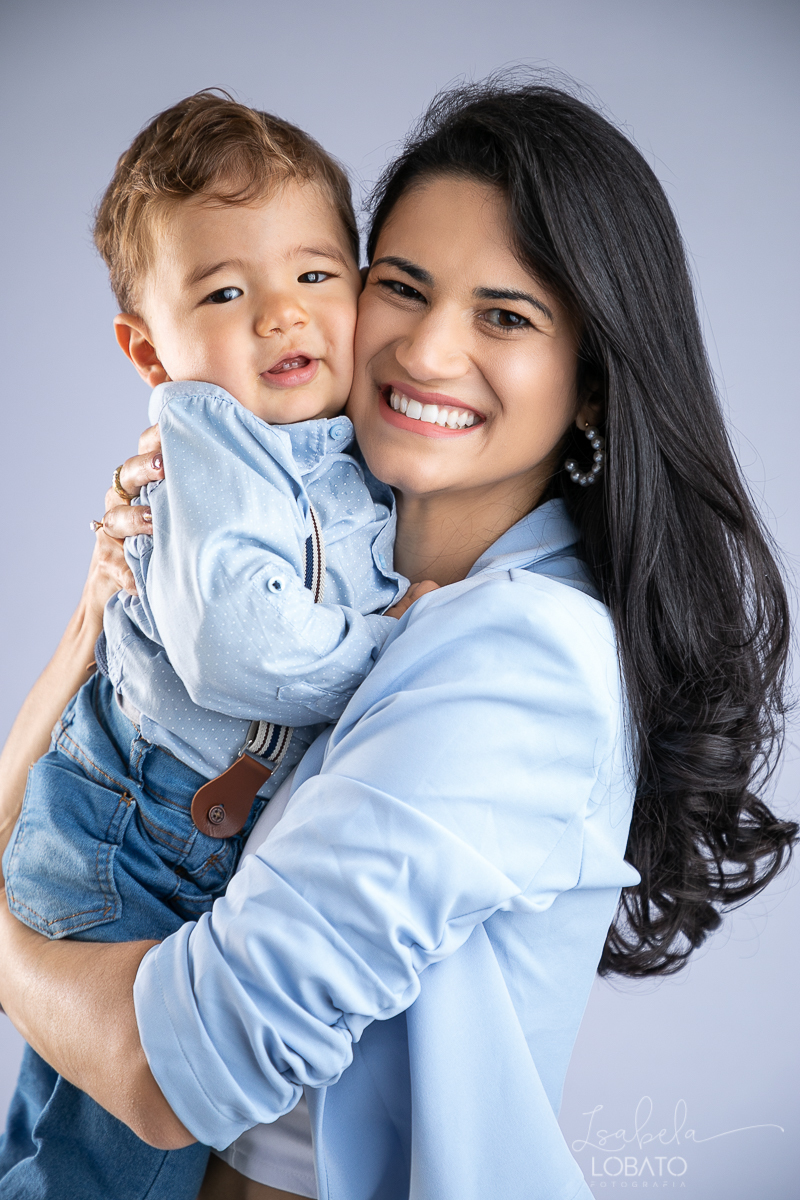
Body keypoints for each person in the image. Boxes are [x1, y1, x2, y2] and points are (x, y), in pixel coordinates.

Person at [0, 77, 795, 1200]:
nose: (424, 351)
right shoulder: (328, 565)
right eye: (401, 287)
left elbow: (170, 1073)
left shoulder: (519, 654)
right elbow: (70, 788)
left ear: (590, 386)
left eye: (504, 317)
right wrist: (106, 615)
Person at [0, 88, 446, 1199]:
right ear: (149, 351)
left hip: (190, 838)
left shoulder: (332, 449)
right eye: (224, 290)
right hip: (129, 840)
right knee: (106, 1162)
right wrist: (395, 647)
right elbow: (239, 651)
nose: (282, 315)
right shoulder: (208, 437)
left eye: (311, 274)